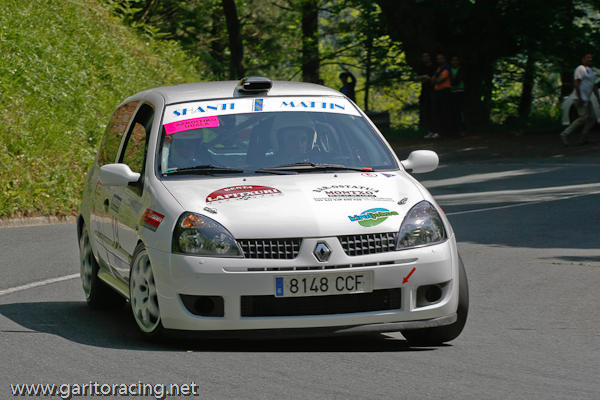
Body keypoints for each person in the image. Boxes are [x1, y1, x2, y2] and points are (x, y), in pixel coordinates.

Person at [560, 52, 599, 146]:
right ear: (583, 59)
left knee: (592, 118)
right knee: (583, 118)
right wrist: (579, 97)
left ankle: (584, 137)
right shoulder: (580, 69)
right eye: (588, 57)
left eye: (591, 57)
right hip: (580, 98)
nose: (590, 59)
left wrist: (598, 98)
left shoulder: (590, 71)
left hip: (587, 99)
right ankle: (565, 134)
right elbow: (576, 83)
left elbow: (594, 86)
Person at [415, 52, 438, 138]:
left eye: (427, 56)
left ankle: (437, 130)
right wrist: (425, 77)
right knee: (428, 112)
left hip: (434, 91)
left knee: (434, 111)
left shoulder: (434, 67)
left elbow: (433, 79)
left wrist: (427, 78)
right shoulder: (422, 68)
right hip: (425, 92)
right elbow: (417, 78)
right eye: (424, 56)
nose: (425, 58)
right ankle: (431, 131)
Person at [430, 53, 452, 138]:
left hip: (445, 92)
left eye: (441, 59)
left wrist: (435, 80)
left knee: (445, 112)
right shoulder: (438, 69)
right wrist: (435, 80)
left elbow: (439, 80)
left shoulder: (446, 69)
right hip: (438, 93)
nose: (439, 60)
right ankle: (441, 132)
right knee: (439, 113)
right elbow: (432, 81)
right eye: (438, 59)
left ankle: (447, 132)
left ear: (444, 59)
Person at [449, 55, 466, 137]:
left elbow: (457, 81)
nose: (454, 62)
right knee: (452, 112)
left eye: (456, 60)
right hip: (451, 92)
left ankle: (462, 129)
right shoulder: (449, 70)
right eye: (453, 60)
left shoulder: (461, 70)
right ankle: (454, 130)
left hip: (459, 91)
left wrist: (453, 80)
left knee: (460, 111)